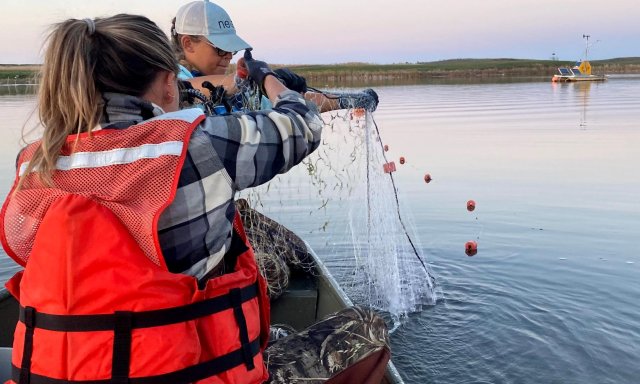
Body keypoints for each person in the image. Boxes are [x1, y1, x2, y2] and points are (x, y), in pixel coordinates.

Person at [0, 13, 323, 383]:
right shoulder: (200, 146)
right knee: (365, 328)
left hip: (56, 372)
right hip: (184, 371)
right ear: (170, 84)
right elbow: (303, 126)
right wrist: (271, 81)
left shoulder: (33, 165)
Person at [171, 0, 378, 114]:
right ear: (188, 43)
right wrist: (243, 79)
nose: (227, 57)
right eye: (220, 49)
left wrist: (348, 100)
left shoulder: (240, 94)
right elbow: (183, 89)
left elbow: (295, 102)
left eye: (231, 50)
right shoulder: (168, 78)